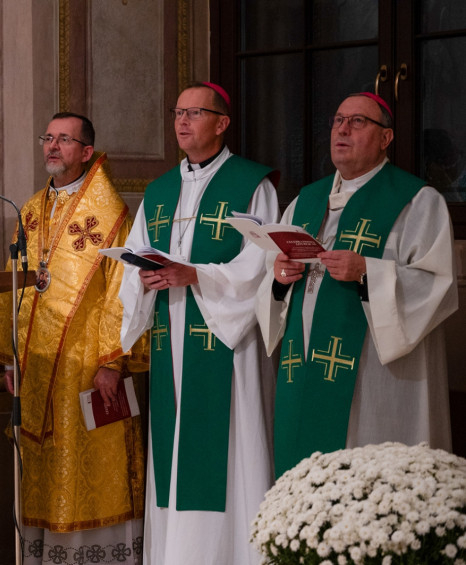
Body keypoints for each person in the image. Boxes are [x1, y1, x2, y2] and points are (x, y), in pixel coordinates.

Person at [118, 82, 279, 564]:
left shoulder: (252, 185)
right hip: (171, 337)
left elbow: (263, 264)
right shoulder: (159, 191)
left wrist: (198, 276)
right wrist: (143, 278)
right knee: (174, 457)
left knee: (230, 453)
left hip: (227, 343)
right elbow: (133, 260)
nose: (182, 122)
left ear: (222, 123)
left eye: (195, 113)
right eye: (178, 113)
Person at [256, 92, 457, 479]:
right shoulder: (304, 202)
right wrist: (280, 279)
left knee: (371, 484)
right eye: (337, 120)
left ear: (386, 138)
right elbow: (273, 280)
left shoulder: (416, 202)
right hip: (306, 368)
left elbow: (437, 285)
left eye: (358, 121)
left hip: (374, 379)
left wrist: (368, 271)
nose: (343, 129)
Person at [0, 112, 150, 564]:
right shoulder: (30, 210)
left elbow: (123, 287)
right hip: (37, 366)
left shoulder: (111, 212)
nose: (53, 146)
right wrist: (10, 357)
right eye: (48, 137)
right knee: (44, 472)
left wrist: (111, 360)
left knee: (91, 467)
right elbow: (12, 282)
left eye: (64, 139)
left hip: (86, 366)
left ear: (87, 152)